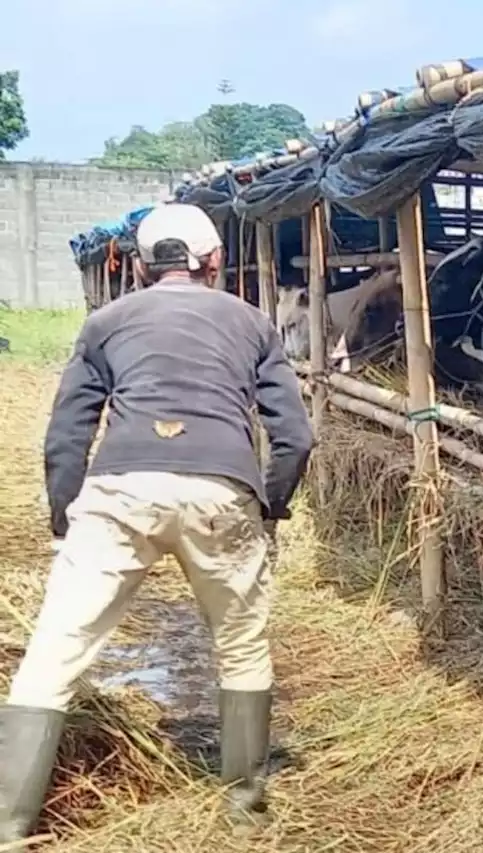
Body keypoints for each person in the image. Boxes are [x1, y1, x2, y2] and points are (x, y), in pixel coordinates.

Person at [0, 203, 314, 842]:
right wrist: (269, 505)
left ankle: (9, 827)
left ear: (141, 267)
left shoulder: (104, 322)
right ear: (215, 261)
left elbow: (66, 434)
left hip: (120, 491)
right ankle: (244, 812)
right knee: (240, 643)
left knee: (54, 653)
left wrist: (67, 516)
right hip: (221, 492)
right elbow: (295, 437)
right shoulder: (252, 322)